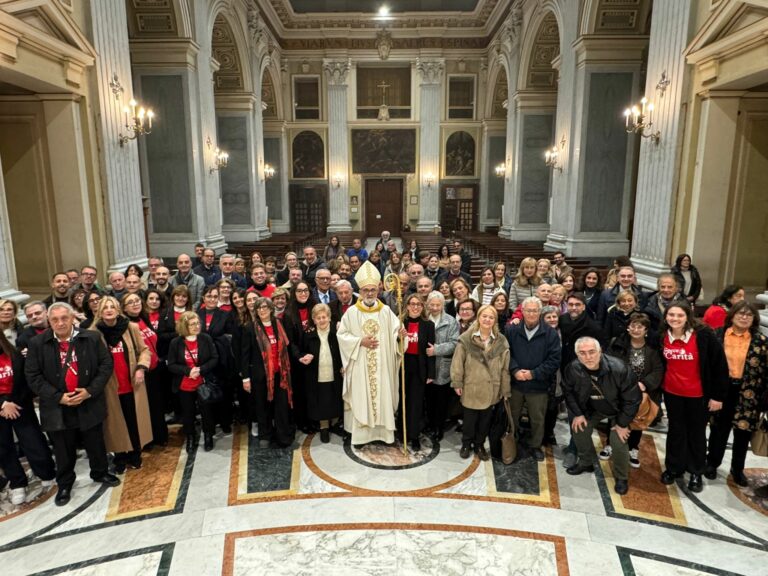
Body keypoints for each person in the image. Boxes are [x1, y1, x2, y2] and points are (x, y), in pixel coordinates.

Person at [25, 303, 119, 506]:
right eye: (55, 319)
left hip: (88, 401)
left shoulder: (91, 338)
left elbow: (106, 365)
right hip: (57, 406)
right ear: (49, 321)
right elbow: (33, 376)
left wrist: (89, 391)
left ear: (71, 318)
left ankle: (100, 472)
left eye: (64, 318)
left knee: (95, 442)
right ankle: (65, 483)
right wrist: (57, 396)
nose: (60, 323)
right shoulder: (37, 344)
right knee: (62, 448)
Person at [660, 302, 728, 492]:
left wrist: (718, 396)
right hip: (672, 394)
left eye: (679, 315)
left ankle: (696, 471)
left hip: (698, 395)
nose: (675, 319)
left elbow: (720, 366)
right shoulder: (661, 336)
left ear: (687, 317)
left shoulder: (704, 335)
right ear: (666, 317)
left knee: (696, 434)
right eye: (671, 315)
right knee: (675, 431)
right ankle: (674, 468)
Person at [562, 337, 640, 495]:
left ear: (600, 351)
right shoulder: (573, 368)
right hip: (592, 409)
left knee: (619, 441)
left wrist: (622, 424)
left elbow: (632, 399)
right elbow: (568, 392)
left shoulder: (619, 368)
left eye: (592, 352)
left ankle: (621, 477)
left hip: (618, 409)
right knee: (579, 429)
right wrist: (578, 414)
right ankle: (585, 462)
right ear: (577, 355)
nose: (588, 357)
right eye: (582, 353)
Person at [337, 261, 402, 446]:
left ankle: (384, 435)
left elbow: (395, 333)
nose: (370, 293)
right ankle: (361, 437)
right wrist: (359, 342)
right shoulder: (351, 313)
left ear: (379, 289)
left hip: (383, 366)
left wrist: (400, 336)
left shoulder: (387, 311)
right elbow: (342, 336)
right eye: (366, 290)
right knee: (361, 396)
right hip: (360, 366)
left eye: (373, 289)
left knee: (382, 395)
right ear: (360, 290)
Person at [705, 301, 767, 486]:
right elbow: (708, 365)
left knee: (743, 433)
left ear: (754, 319)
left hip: (750, 393)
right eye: (740, 313)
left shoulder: (761, 341)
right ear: (732, 315)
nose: (744, 317)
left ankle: (737, 469)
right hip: (722, 390)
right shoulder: (718, 335)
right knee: (718, 430)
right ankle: (712, 463)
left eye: (749, 315)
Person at [91, 296, 152, 473]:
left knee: (133, 421)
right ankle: (120, 457)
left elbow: (144, 350)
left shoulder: (131, 327)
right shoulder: (93, 333)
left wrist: (141, 367)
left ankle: (135, 454)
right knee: (114, 424)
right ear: (99, 312)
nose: (109, 310)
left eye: (112, 307)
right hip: (108, 388)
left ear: (118, 309)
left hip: (131, 383)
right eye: (105, 307)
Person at [0, 330, 56, 506]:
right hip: (0, 409)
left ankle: (46, 474)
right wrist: (3, 404)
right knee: (3, 447)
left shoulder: (15, 355)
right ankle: (17, 483)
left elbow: (27, 382)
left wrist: (13, 402)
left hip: (20, 404)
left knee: (33, 440)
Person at [505, 297, 562, 461]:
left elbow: (554, 360)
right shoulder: (512, 330)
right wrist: (515, 370)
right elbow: (506, 353)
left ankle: (535, 445)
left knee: (537, 419)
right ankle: (512, 442)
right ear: (522, 312)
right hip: (515, 383)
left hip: (538, 385)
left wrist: (533, 373)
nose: (531, 313)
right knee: (512, 417)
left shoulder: (550, 334)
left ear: (540, 312)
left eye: (535, 310)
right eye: (528, 310)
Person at [451, 304, 511, 460]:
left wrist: (505, 390)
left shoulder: (501, 341)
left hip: (492, 387)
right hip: (472, 385)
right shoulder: (466, 339)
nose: (487, 319)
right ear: (478, 317)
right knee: (469, 420)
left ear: (495, 321)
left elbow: (505, 368)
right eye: (484, 316)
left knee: (485, 420)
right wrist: (457, 382)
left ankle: (479, 444)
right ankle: (466, 443)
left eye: (491, 317)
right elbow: (457, 362)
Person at [605, 313, 663, 469]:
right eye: (633, 326)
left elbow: (658, 370)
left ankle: (632, 448)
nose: (636, 329)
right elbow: (609, 363)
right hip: (620, 388)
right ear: (628, 328)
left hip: (641, 391)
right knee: (616, 417)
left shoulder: (652, 349)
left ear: (646, 330)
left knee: (637, 419)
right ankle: (610, 444)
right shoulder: (618, 343)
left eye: (640, 326)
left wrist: (644, 384)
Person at [241, 297, 294, 448]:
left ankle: (283, 436)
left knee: (281, 405)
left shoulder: (279, 324)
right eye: (259, 308)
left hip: (281, 374)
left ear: (271, 309)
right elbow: (244, 355)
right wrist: (245, 378)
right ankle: (265, 435)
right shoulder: (250, 328)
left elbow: (287, 347)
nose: (262, 310)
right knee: (262, 405)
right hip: (260, 375)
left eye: (265, 307)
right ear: (256, 311)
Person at [167, 311, 219, 452]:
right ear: (184, 326)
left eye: (198, 323)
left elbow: (214, 358)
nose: (196, 326)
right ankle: (190, 436)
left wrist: (200, 369)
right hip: (185, 384)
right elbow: (171, 364)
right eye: (192, 324)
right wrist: (187, 371)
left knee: (206, 411)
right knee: (188, 413)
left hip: (203, 382)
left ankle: (208, 435)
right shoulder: (176, 343)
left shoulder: (205, 338)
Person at [122, 293, 167, 447]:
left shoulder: (143, 318)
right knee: (143, 408)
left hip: (154, 369)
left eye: (137, 301)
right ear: (124, 308)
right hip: (140, 371)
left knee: (156, 405)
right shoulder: (125, 325)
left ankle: (160, 435)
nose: (135, 304)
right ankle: (147, 440)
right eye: (130, 303)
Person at [396, 293, 436, 451]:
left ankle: (413, 436)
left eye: (418, 304)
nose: (415, 307)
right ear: (406, 306)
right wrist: (398, 338)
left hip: (419, 367)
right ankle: (401, 432)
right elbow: (393, 346)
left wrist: (431, 373)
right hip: (402, 366)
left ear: (422, 307)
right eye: (412, 304)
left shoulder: (428, 325)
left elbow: (430, 350)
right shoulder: (400, 323)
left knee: (416, 404)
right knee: (402, 401)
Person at [300, 304, 343, 443]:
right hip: (316, 373)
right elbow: (301, 351)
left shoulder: (337, 333)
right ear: (313, 319)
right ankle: (324, 426)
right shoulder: (308, 334)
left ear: (329, 318)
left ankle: (335, 424)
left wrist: (343, 365)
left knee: (335, 397)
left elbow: (344, 351)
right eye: (318, 318)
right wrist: (304, 356)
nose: (322, 320)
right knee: (321, 400)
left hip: (335, 371)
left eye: (324, 317)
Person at [198, 285, 236, 434]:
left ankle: (225, 421)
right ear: (203, 298)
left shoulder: (225, 315)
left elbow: (229, 337)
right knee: (206, 394)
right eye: (209, 296)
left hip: (222, 360)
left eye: (215, 296)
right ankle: (210, 426)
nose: (212, 299)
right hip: (203, 361)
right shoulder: (196, 314)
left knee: (224, 393)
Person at [424, 291, 459, 444]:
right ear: (427, 305)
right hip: (425, 367)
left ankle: (439, 427)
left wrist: (436, 350)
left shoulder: (450, 321)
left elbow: (454, 343)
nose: (435, 307)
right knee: (428, 399)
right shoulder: (423, 319)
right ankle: (429, 424)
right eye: (432, 304)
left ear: (443, 305)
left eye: (438, 305)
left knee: (441, 401)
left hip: (442, 368)